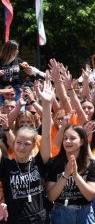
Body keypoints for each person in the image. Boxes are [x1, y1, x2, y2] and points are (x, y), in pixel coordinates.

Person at [0, 80, 53, 223]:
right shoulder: (5, 166)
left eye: (27, 143)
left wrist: (47, 105)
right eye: (18, 142)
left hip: (40, 219)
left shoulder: (39, 162)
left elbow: (47, 134)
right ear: (13, 142)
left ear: (34, 145)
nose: (21, 147)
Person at [46, 125, 95, 223]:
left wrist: (75, 175)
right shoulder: (54, 163)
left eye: (72, 138)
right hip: (61, 213)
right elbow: (51, 196)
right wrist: (66, 175)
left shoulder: (91, 164)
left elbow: (90, 196)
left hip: (85, 213)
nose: (67, 141)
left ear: (82, 141)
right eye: (65, 138)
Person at [0, 41, 34, 105]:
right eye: (17, 49)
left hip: (16, 89)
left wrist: (27, 66)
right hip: (2, 89)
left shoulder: (18, 61)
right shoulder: (0, 61)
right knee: (1, 109)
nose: (18, 51)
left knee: (19, 110)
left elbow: (30, 73)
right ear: (11, 50)